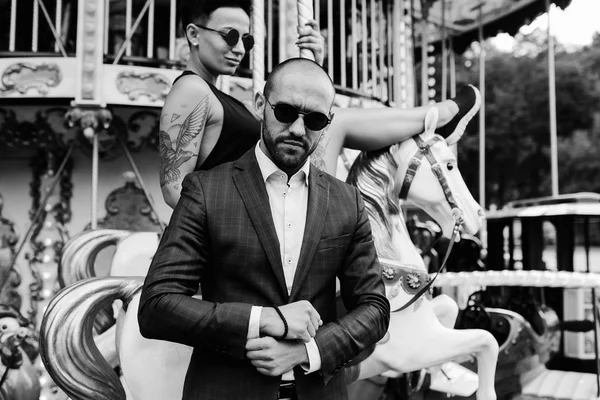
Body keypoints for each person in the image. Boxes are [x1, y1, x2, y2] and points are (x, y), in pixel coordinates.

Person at [139, 57, 390, 400]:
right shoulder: (205, 190)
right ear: (260, 104)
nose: (299, 130)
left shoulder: (348, 201)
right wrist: (265, 320)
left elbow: (375, 308)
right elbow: (157, 306)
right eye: (286, 112)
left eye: (315, 119)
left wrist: (308, 352)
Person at [158, 0, 480, 209]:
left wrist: (317, 64)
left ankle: (438, 116)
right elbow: (174, 188)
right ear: (194, 34)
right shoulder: (190, 89)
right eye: (230, 36)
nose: (240, 49)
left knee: (323, 118)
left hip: (265, 197)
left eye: (247, 40)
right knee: (335, 121)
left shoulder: (216, 95)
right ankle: (440, 115)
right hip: (253, 208)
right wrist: (225, 226)